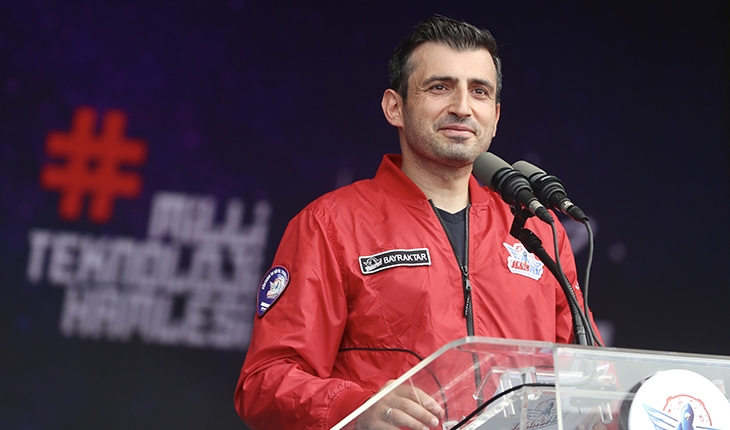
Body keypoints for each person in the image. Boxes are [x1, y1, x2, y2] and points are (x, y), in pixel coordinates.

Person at [235, 15, 597, 429]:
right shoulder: (331, 225)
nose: (462, 107)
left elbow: (592, 380)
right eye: (440, 87)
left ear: (495, 116)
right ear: (395, 107)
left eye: (479, 91)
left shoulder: (537, 230)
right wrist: (356, 409)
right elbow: (264, 382)